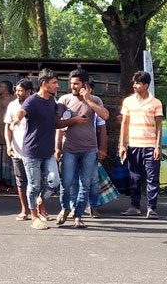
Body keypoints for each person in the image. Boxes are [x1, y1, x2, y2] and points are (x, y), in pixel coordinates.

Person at [10, 69, 86, 230]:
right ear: (44, 84)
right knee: (34, 185)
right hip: (31, 153)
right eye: (54, 83)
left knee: (54, 181)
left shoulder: (51, 101)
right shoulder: (32, 100)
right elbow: (22, 111)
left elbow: (56, 124)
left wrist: (73, 120)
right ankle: (34, 218)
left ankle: (41, 202)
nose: (58, 86)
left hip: (47, 152)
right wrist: (16, 120)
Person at [54, 69, 109, 228]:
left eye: (76, 84)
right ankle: (65, 210)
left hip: (90, 149)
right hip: (69, 148)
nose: (73, 87)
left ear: (84, 84)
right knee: (67, 182)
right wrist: (57, 147)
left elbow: (105, 116)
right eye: (71, 84)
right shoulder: (64, 100)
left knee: (86, 184)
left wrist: (88, 100)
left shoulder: (95, 100)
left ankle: (78, 215)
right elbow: (57, 124)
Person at [119, 71, 163, 219]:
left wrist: (158, 146)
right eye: (134, 83)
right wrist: (122, 145)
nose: (134, 86)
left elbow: (159, 126)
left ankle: (151, 208)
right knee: (134, 178)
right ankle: (135, 206)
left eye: (138, 83)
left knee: (152, 178)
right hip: (132, 144)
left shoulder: (156, 102)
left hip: (150, 146)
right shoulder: (128, 102)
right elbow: (124, 123)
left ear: (146, 85)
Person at [4, 79, 33, 221]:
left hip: (34, 150)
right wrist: (8, 145)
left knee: (36, 181)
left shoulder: (36, 104)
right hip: (17, 150)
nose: (17, 93)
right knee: (21, 181)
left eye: (20, 90)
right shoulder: (12, 106)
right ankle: (24, 209)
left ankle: (39, 208)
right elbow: (7, 127)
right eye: (16, 90)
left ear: (29, 92)